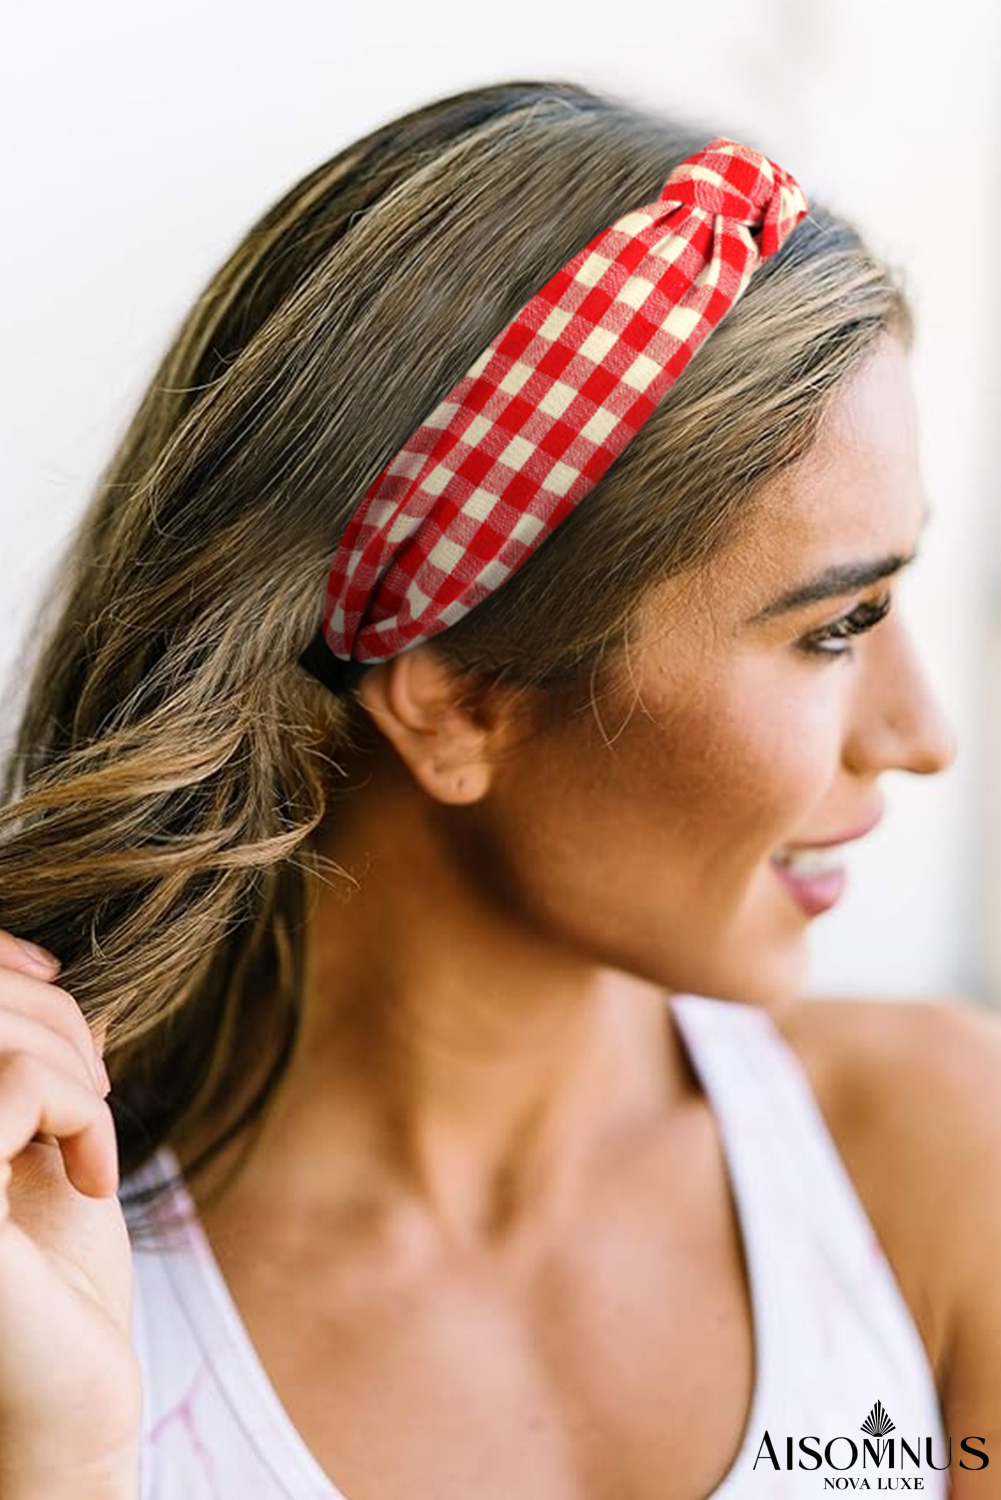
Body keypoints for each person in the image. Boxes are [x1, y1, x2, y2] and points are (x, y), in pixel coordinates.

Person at [0, 78, 998, 1500]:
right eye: (831, 628)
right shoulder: (42, 1274)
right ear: (459, 695)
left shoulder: (946, 1162)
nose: (920, 735)